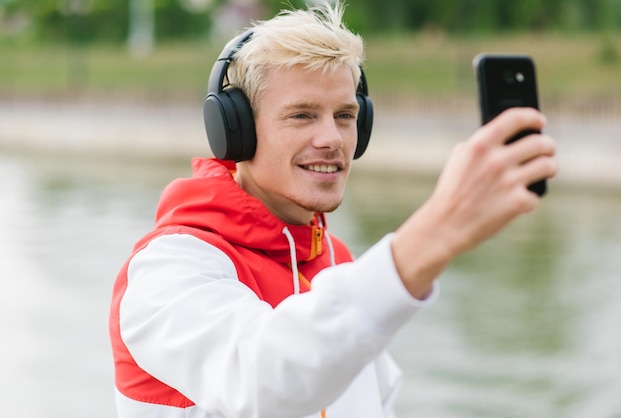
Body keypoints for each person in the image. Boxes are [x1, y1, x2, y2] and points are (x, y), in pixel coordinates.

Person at [109, 2, 557, 418]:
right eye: (302, 115)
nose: (333, 138)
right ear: (236, 130)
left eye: (344, 116)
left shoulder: (337, 260)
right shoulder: (168, 268)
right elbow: (263, 382)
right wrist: (437, 232)